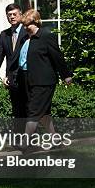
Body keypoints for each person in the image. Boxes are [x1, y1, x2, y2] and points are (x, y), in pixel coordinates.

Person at [19, 10, 72, 143]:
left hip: (44, 81)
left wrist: (66, 75)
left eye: (27, 25)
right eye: (24, 25)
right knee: (43, 114)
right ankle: (56, 140)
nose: (25, 28)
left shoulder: (46, 36)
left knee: (34, 111)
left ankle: (25, 143)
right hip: (30, 80)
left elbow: (57, 57)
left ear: (36, 22)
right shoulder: (27, 38)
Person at [0, 3, 29, 133]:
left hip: (26, 77)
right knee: (17, 109)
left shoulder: (27, 32)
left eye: (14, 14)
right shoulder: (4, 35)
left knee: (28, 109)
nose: (12, 17)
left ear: (20, 15)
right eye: (9, 15)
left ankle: (30, 139)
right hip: (12, 79)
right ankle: (19, 138)